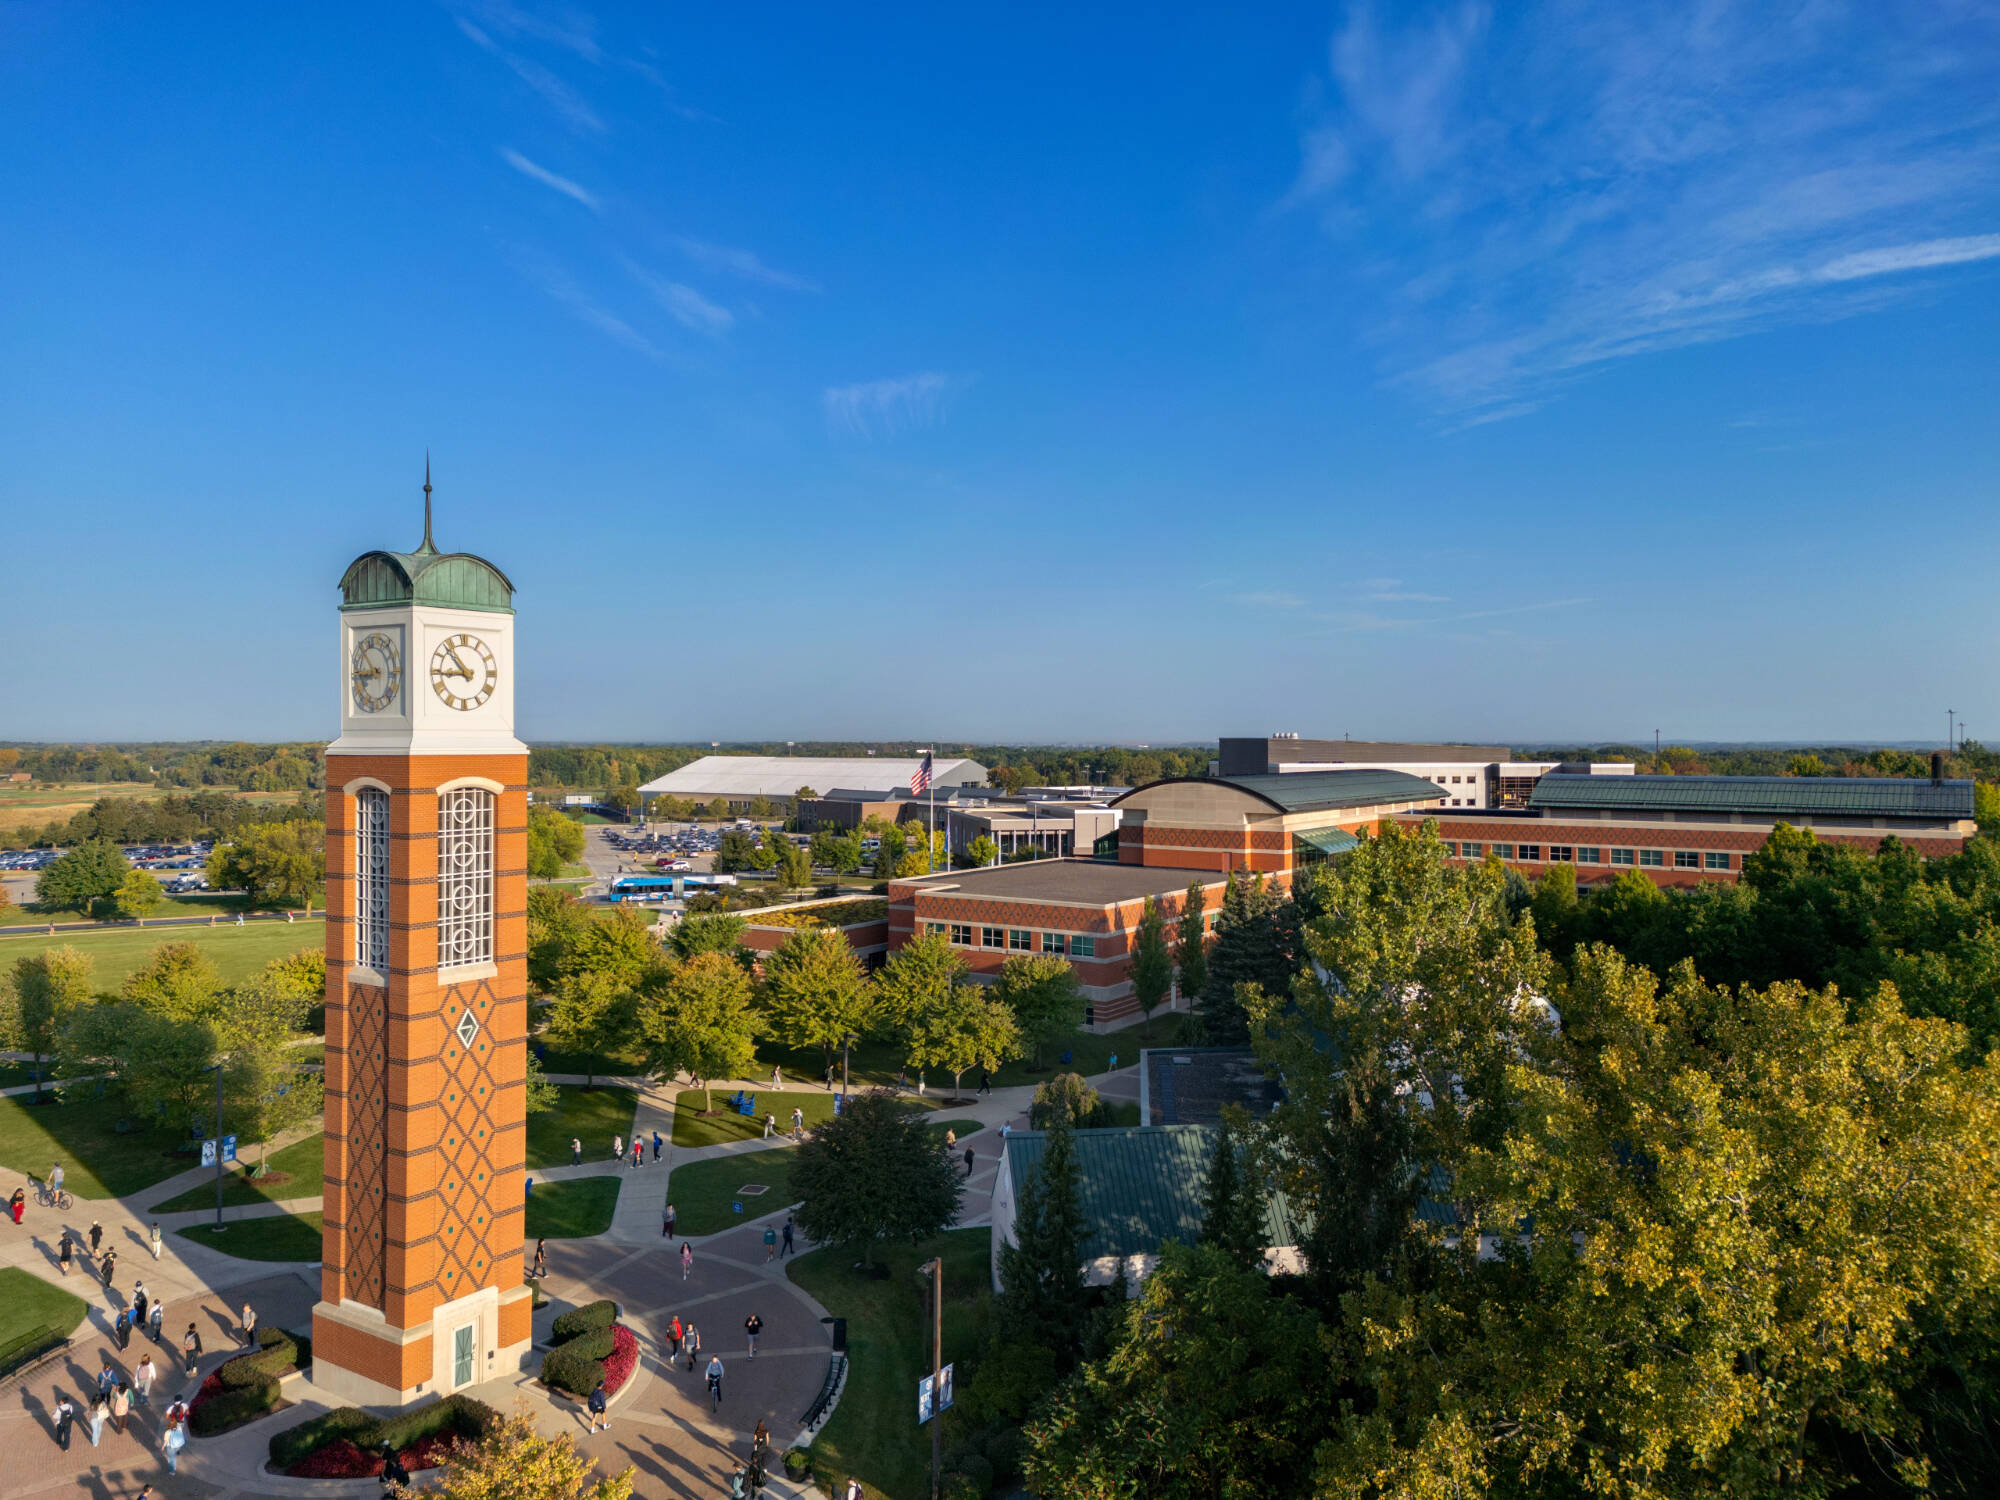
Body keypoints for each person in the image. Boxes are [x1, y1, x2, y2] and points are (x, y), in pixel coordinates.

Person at [161, 1400, 188, 1473]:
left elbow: (166, 1441)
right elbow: (181, 1434)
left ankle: (172, 1471)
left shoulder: (168, 1432)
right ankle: (175, 1461)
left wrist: (163, 1446)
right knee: (174, 1456)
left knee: (171, 1458)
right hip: (178, 1445)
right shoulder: (179, 1427)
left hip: (171, 1446)